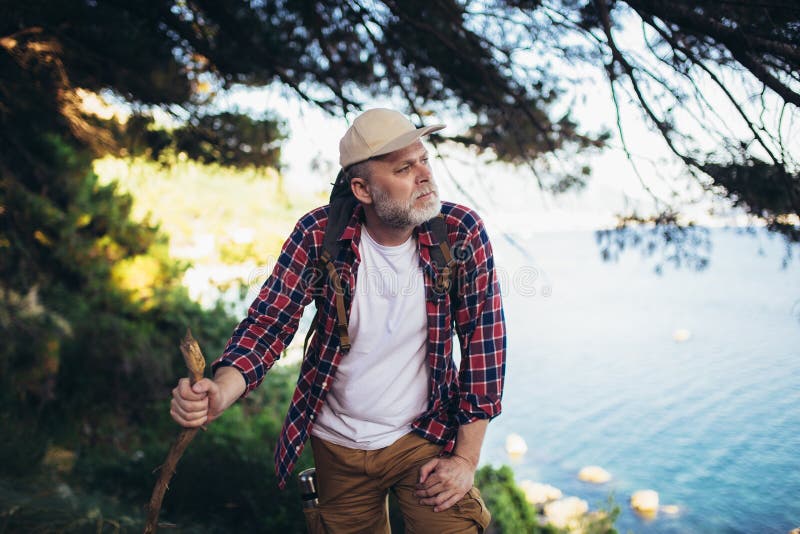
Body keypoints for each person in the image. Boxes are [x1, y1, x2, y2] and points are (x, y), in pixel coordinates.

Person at [170, 108, 506, 533]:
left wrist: (465, 459)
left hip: (423, 435)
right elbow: (269, 324)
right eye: (404, 167)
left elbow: (483, 346)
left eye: (424, 160)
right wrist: (220, 390)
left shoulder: (459, 232)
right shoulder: (318, 234)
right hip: (337, 448)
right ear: (362, 189)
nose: (423, 175)